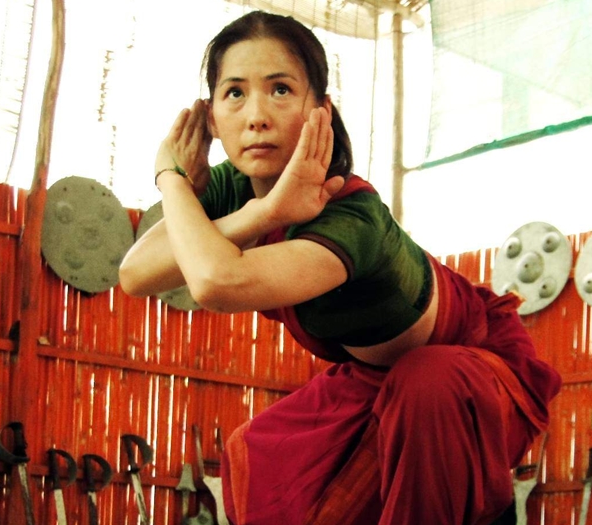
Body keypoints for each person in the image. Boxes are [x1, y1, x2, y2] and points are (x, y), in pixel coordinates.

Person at [119, 10, 561, 525]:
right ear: (211, 118)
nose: (256, 115)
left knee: (426, 385)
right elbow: (135, 272)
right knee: (259, 455)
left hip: (470, 372)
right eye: (235, 93)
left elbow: (218, 280)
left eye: (280, 89)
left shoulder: (351, 214)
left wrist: (177, 180)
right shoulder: (237, 189)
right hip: (374, 379)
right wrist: (211, 194)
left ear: (318, 111)